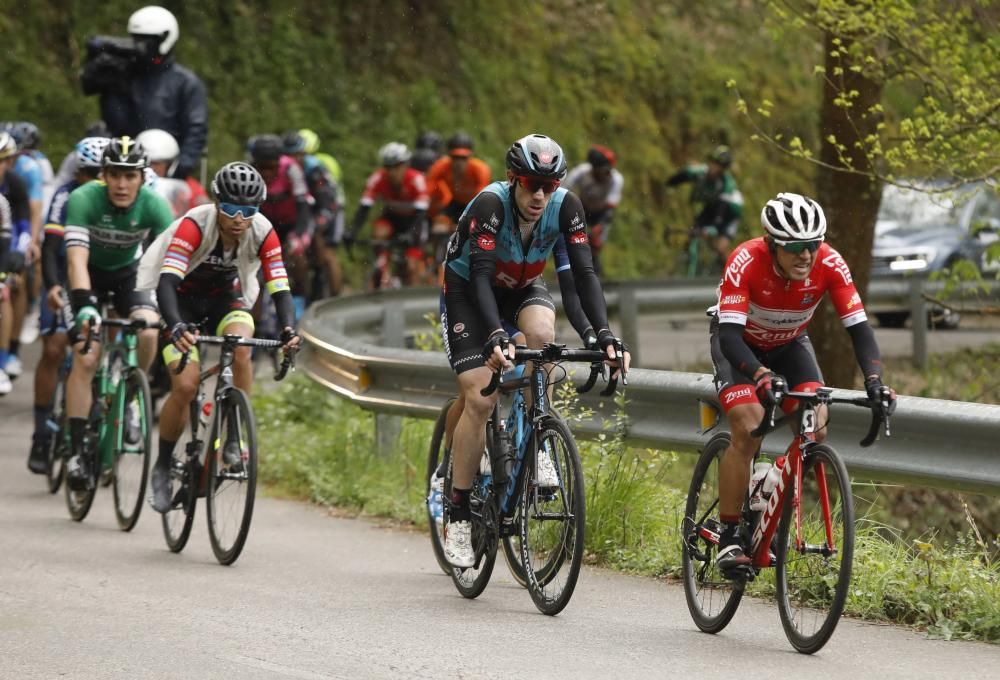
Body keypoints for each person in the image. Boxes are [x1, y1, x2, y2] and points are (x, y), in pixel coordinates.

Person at [439, 133, 629, 567]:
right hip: (471, 291)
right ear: (513, 180)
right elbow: (482, 278)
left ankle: (538, 445)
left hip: (522, 287)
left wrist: (601, 334)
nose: (541, 195)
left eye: (550, 185)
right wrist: (494, 337)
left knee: (543, 338)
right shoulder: (490, 205)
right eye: (531, 184)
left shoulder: (568, 207)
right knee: (478, 397)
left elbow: (581, 277)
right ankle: (459, 511)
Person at [709, 192, 896, 573]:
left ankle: (769, 483)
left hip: (791, 345)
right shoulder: (745, 260)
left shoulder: (830, 261)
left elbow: (859, 329)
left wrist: (875, 380)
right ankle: (729, 537)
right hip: (740, 347)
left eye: (812, 245)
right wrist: (759, 375)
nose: (806, 255)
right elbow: (729, 336)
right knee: (748, 427)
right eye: (795, 247)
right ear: (772, 243)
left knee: (818, 428)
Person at [136, 162, 300, 512]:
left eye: (249, 210)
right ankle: (163, 465)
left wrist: (288, 329)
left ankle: (233, 434)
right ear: (216, 202)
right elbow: (167, 283)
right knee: (185, 386)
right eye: (230, 208)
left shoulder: (263, 231)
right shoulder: (195, 225)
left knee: (241, 347)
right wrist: (176, 325)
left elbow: (280, 288)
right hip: (180, 301)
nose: (240, 218)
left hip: (225, 299)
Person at [61, 136, 174, 490]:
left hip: (130, 275)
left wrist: (170, 310)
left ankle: (135, 396)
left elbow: (166, 269)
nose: (122, 184)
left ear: (143, 177)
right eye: (114, 174)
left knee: (148, 329)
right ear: (103, 176)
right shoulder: (83, 199)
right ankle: (77, 451)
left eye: (130, 176)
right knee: (88, 354)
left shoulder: (156, 206)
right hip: (88, 276)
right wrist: (84, 307)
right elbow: (76, 260)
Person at [26, 137, 109, 473]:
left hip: (101, 277)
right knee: (55, 348)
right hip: (64, 271)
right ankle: (42, 432)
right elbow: (50, 247)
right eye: (88, 172)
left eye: (101, 172)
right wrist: (53, 286)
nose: (95, 179)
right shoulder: (66, 195)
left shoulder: (119, 198)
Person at [83, 6, 208, 179]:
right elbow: (89, 84)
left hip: (165, 172)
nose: (140, 45)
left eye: (147, 40)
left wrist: (178, 170)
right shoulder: (120, 72)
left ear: (165, 39)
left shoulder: (186, 83)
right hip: (119, 168)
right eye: (136, 39)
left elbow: (196, 132)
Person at [344, 142, 430, 288]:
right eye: (388, 167)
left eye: (397, 166)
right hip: (392, 219)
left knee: (411, 267)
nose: (392, 172)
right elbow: (364, 208)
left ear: (406, 165)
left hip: (414, 222)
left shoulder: (416, 180)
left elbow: (421, 214)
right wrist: (353, 231)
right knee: (379, 233)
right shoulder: (378, 178)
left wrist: (410, 234)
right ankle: (382, 266)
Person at [248, 133, 312, 316]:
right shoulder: (250, 171)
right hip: (263, 224)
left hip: (292, 223)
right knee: (253, 268)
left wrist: (298, 235)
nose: (267, 173)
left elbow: (303, 205)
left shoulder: (291, 169)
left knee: (298, 255)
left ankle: (300, 301)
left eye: (272, 167)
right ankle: (255, 320)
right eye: (263, 168)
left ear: (279, 161)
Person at [667, 144, 743, 268]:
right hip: (711, 207)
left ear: (723, 169)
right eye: (711, 162)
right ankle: (687, 263)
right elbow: (681, 176)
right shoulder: (700, 171)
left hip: (729, 213)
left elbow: (722, 211)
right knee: (693, 232)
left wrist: (714, 227)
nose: (712, 167)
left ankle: (732, 272)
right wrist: (670, 185)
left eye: (717, 165)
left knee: (719, 247)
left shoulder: (727, 184)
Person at [425, 133, 491, 270]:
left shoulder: (480, 169)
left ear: (470, 157)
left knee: (474, 230)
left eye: (463, 158)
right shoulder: (441, 166)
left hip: (474, 205)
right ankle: (437, 260)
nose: (459, 163)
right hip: (454, 203)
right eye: (455, 158)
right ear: (449, 156)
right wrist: (431, 210)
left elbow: (482, 199)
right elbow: (428, 189)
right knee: (438, 227)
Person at [0, 132, 31, 388]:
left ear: (9, 163)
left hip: (6, 244)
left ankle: (6, 355)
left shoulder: (16, 185)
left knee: (8, 288)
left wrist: (18, 255)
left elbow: (23, 227)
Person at [563, 145, 624, 276]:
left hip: (601, 213)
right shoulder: (581, 172)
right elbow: (563, 190)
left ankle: (594, 269)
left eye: (609, 170)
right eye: (604, 171)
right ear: (594, 168)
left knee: (596, 242)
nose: (607, 174)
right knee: (573, 239)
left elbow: (610, 208)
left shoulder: (616, 179)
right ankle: (567, 266)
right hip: (581, 207)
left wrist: (600, 226)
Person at [136, 128, 208, 217]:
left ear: (169, 164)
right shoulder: (126, 184)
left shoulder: (190, 188)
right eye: (146, 163)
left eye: (156, 163)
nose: (150, 168)